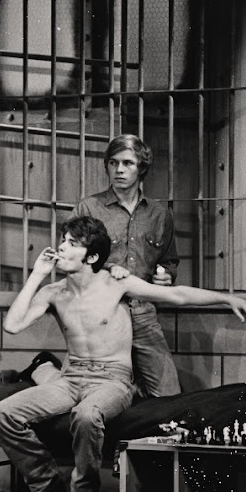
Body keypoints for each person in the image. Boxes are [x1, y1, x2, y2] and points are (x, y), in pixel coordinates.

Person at [0, 216, 246, 492]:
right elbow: (12, 325)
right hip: (70, 378)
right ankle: (46, 487)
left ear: (91, 257)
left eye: (72, 244)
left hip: (111, 380)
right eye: (63, 240)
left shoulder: (116, 283)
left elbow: (177, 295)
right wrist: (37, 274)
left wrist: (226, 298)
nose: (61, 247)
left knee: (87, 415)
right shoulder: (54, 292)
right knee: (1, 413)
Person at [69, 134, 181, 398]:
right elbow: (71, 259)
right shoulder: (89, 208)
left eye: (128, 163)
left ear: (141, 167)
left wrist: (167, 276)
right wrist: (107, 268)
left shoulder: (159, 214)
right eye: (113, 163)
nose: (119, 169)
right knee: (99, 391)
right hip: (101, 313)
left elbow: (169, 259)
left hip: (143, 312)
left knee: (168, 393)